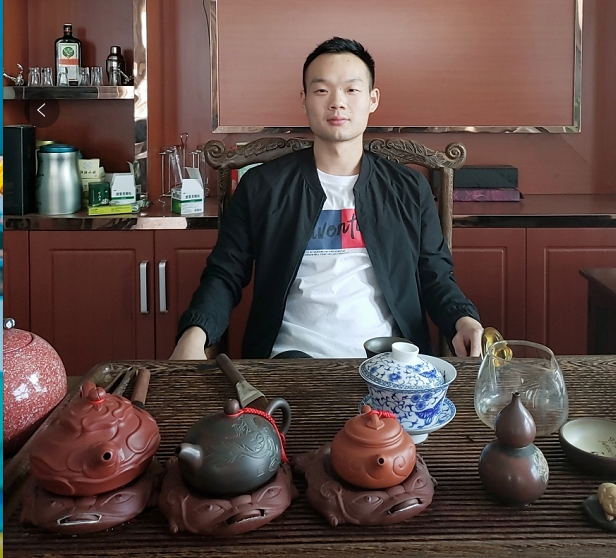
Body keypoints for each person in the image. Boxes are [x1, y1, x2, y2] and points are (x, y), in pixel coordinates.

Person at [171, 37, 483, 360]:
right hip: (291, 361)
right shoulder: (262, 187)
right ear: (304, 99)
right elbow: (225, 274)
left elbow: (436, 277)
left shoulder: (409, 189)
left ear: (372, 99)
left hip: (389, 362)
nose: (337, 103)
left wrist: (463, 319)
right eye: (322, 90)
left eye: (352, 90)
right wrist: (195, 334)